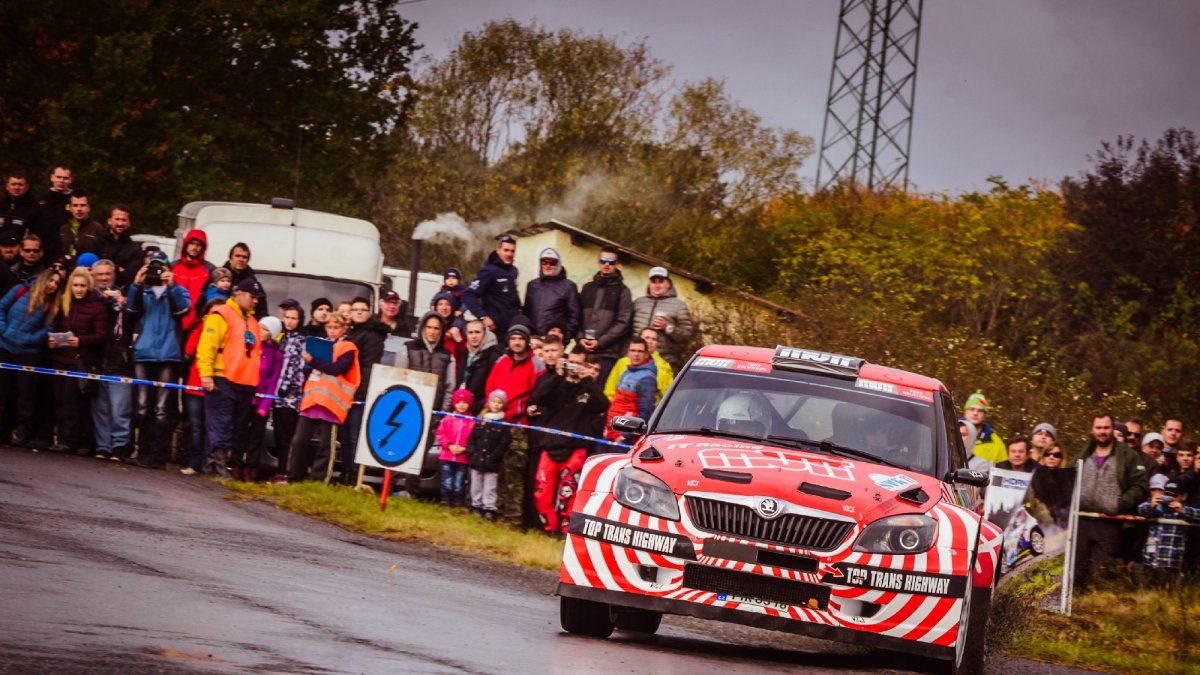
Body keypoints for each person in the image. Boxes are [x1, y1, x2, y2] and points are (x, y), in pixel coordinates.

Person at [528, 346, 609, 534]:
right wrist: (558, 374)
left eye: (579, 363)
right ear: (566, 361)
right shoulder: (555, 384)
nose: (575, 367)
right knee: (542, 494)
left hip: (576, 450)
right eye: (572, 362)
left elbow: (602, 405)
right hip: (550, 447)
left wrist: (587, 379)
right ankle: (549, 529)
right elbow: (536, 398)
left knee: (569, 495)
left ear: (585, 365)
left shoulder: (588, 388)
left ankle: (566, 533)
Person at [125, 250, 192, 468]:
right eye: (153, 266)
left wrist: (171, 286)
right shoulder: (142, 291)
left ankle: (159, 455)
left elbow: (184, 310)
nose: (157, 270)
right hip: (144, 354)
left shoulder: (178, 290)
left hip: (168, 355)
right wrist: (136, 283)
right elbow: (130, 310)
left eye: (161, 267)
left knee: (163, 409)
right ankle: (142, 451)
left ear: (168, 269)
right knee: (143, 406)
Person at [1074, 413, 1150, 589]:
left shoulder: (1127, 455)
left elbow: (1140, 486)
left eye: (1106, 428)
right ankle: (1074, 609)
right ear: (1093, 430)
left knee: (1100, 575)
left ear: (1112, 430)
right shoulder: (1085, 452)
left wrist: (1120, 503)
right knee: (1076, 572)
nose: (1102, 432)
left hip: (1109, 524)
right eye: (1098, 428)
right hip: (1081, 521)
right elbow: (1069, 477)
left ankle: (1096, 609)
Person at [197, 278, 264, 477]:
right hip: (222, 378)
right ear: (239, 294)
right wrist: (206, 374)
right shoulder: (221, 315)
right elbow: (206, 346)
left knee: (234, 427)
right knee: (222, 423)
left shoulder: (252, 322)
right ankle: (216, 464)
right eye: (253, 297)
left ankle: (213, 464)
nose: (256, 301)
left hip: (245, 383)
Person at [286, 312, 360, 483]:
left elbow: (337, 368)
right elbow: (307, 370)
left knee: (325, 446)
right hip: (313, 400)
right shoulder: (321, 344)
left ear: (344, 328)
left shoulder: (348, 347)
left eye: (336, 327)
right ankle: (293, 476)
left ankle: (319, 481)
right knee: (299, 441)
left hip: (332, 403)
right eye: (329, 327)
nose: (332, 331)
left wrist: (313, 361)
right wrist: (308, 362)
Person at [48, 268, 107, 455]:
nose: (78, 289)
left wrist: (81, 341)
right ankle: (63, 437)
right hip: (60, 357)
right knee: (59, 400)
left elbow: (101, 336)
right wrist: (52, 341)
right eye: (75, 285)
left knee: (71, 402)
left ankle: (70, 440)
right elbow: (56, 326)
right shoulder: (65, 303)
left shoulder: (97, 306)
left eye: (82, 286)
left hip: (80, 360)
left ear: (88, 286)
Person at [0, 269, 61, 448]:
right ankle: (2, 431)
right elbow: (1, 308)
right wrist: (3, 330)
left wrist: (30, 340)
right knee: (2, 393)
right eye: (51, 281)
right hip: (4, 346)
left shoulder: (52, 305)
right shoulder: (20, 290)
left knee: (26, 396)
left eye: (57, 283)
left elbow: (48, 329)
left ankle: (23, 433)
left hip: (28, 353)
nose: (53, 285)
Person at [340, 296, 389, 484]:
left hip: (359, 393)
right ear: (350, 313)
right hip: (345, 392)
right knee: (344, 437)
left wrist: (360, 391)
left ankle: (353, 476)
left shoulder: (373, 335)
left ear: (369, 313)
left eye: (363, 309)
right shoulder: (352, 332)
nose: (359, 312)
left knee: (354, 437)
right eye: (355, 309)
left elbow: (368, 367)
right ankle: (346, 473)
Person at [91, 259, 135, 459]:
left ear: (114, 275)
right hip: (97, 360)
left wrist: (122, 306)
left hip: (119, 361)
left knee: (120, 409)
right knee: (100, 409)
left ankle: (119, 447)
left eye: (107, 274)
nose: (103, 278)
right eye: (99, 274)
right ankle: (102, 446)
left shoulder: (124, 299)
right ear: (93, 275)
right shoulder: (90, 298)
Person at [233, 315, 284, 481]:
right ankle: (236, 464)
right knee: (240, 431)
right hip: (245, 396)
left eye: (266, 329)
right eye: (260, 327)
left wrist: (265, 404)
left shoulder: (276, 354)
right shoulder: (252, 347)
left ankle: (251, 468)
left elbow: (274, 381)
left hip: (261, 401)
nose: (261, 332)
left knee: (256, 436)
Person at [577, 245, 633, 384]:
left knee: (598, 397)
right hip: (583, 352)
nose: (607, 264)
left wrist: (600, 342)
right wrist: (579, 338)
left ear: (617, 264)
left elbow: (623, 323)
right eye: (603, 261)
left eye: (611, 262)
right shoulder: (587, 288)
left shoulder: (623, 291)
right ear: (598, 262)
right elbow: (576, 316)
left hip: (607, 354)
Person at [181, 298, 224, 475]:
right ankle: (194, 463)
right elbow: (188, 351)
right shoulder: (199, 329)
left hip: (216, 386)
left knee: (211, 428)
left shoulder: (227, 335)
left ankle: (209, 465)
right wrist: (202, 329)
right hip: (195, 385)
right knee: (197, 426)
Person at [270, 299, 307, 484]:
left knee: (287, 437)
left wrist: (290, 390)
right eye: (288, 317)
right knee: (279, 435)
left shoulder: (300, 340)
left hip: (290, 397)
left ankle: (285, 472)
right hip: (276, 396)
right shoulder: (282, 338)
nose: (290, 321)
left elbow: (298, 368)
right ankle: (280, 470)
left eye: (294, 318)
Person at [1137, 474, 1198, 585]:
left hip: (1171, 561)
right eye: (1167, 494)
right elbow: (1141, 509)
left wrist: (1183, 510)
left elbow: (1197, 514)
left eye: (1174, 495)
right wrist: (1152, 505)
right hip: (1150, 560)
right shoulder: (1158, 507)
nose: (1170, 498)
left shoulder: (1184, 510)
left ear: (1184, 496)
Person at [631, 266, 695, 372]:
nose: (657, 285)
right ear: (649, 284)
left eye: (661, 281)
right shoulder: (638, 303)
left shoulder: (678, 305)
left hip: (664, 361)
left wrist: (667, 327)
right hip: (635, 359)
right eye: (653, 281)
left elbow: (687, 335)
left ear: (668, 284)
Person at [393, 311, 456, 411]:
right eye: (429, 327)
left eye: (436, 328)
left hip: (435, 410)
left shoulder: (448, 355)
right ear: (423, 327)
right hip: (409, 408)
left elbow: (450, 386)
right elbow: (397, 379)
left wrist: (443, 411)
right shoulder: (407, 348)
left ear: (441, 330)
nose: (432, 331)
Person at [461, 233, 521, 336]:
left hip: (511, 329)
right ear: (498, 250)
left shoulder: (513, 271)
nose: (509, 254)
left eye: (512, 251)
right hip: (495, 331)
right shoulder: (489, 271)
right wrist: (483, 317)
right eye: (506, 250)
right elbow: (468, 295)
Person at [484, 323, 545, 423]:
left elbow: (539, 396)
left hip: (518, 423)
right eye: (513, 338)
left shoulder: (537, 365)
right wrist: (489, 409)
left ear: (527, 341)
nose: (517, 342)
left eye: (521, 338)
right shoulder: (501, 360)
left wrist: (525, 420)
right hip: (495, 418)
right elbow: (490, 387)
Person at [467, 390, 512, 521]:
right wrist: (472, 452)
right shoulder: (481, 420)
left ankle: (489, 508)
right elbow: (472, 438)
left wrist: (494, 456)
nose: (496, 405)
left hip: (492, 462)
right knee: (476, 485)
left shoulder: (503, 424)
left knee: (490, 487)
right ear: (489, 403)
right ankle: (476, 505)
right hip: (477, 459)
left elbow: (504, 442)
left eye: (499, 402)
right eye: (494, 401)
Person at [605, 337, 657, 443]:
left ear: (646, 354)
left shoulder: (648, 378)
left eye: (640, 351)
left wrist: (624, 436)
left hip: (623, 438)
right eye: (633, 350)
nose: (636, 354)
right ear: (628, 353)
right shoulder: (626, 371)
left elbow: (645, 413)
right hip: (611, 431)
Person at [605, 326, 674, 405]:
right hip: (619, 408)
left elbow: (667, 395)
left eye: (653, 339)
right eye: (647, 338)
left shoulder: (664, 367)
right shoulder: (623, 362)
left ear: (657, 343)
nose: (650, 341)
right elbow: (610, 390)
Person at [523, 247, 580, 339]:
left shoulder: (569, 286)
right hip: (534, 340)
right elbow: (525, 313)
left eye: (552, 263)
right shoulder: (532, 285)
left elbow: (575, 316)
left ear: (558, 264)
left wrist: (565, 338)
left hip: (554, 340)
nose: (548, 266)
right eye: (544, 262)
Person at [436, 389, 476, 506]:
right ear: (454, 403)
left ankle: (458, 501)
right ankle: (445, 500)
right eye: (459, 402)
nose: (462, 405)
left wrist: (465, 448)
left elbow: (473, 438)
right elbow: (440, 433)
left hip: (462, 458)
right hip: (446, 457)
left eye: (465, 402)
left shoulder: (472, 421)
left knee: (459, 482)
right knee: (447, 481)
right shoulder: (448, 419)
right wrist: (449, 445)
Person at [171, 230, 215, 333]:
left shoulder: (210, 270)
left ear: (203, 248)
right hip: (172, 324)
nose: (195, 247)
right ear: (186, 244)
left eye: (199, 245)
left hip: (197, 326)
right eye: (192, 243)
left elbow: (212, 297)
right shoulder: (173, 267)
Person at [92, 205, 143, 288]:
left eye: (124, 220)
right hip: (96, 292)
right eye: (117, 219)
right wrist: (117, 268)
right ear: (109, 221)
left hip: (121, 294)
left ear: (129, 223)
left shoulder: (135, 249)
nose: (120, 223)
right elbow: (91, 269)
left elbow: (131, 275)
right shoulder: (97, 242)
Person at [30, 165, 73, 262]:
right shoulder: (40, 200)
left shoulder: (75, 202)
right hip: (41, 254)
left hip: (64, 253)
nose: (61, 181)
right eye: (58, 177)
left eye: (65, 178)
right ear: (52, 177)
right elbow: (30, 226)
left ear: (70, 180)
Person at [458, 319, 500, 415]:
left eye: (477, 332)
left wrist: (482, 407)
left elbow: (495, 388)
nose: (474, 336)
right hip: (461, 408)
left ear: (484, 334)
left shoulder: (494, 356)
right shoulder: (464, 353)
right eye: (470, 332)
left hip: (481, 411)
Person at [961, 392, 1006, 469]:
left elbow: (1003, 471)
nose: (975, 413)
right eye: (972, 409)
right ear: (965, 412)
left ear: (984, 415)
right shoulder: (950, 434)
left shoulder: (996, 443)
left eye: (980, 411)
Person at [59, 191, 105, 258]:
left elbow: (103, 255)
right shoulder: (63, 230)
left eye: (82, 205)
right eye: (75, 205)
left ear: (89, 208)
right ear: (70, 208)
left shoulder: (98, 229)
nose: (79, 209)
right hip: (66, 267)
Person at [1, 171, 38, 240]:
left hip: (22, 248)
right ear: (7, 187)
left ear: (27, 187)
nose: (17, 187)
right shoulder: (1, 204)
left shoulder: (34, 207)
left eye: (20, 185)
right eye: (13, 184)